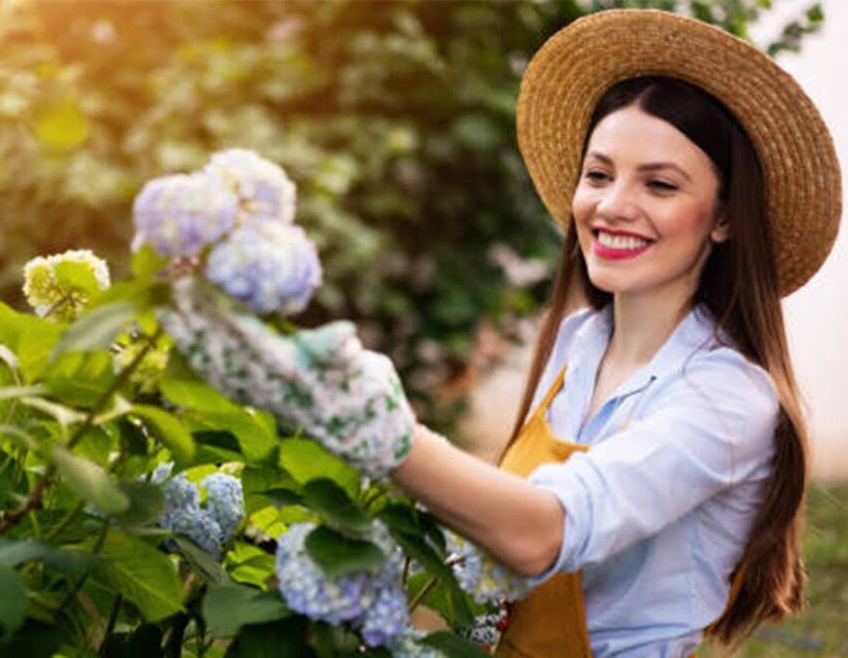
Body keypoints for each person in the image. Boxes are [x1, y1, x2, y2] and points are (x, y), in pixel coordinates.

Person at [160, 8, 841, 657]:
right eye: (598, 174)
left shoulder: (727, 399)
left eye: (659, 185)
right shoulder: (581, 342)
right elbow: (492, 535)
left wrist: (380, 430)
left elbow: (541, 532)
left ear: (724, 218)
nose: (611, 206)